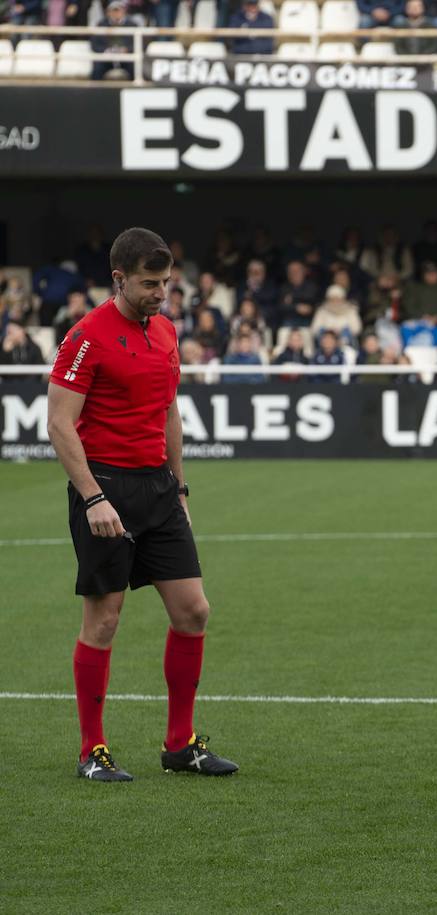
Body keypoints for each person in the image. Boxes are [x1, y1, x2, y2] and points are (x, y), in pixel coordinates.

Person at [45, 227, 238, 783]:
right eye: (149, 284)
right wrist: (94, 498)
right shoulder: (86, 336)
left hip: (158, 489)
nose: (160, 293)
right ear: (119, 278)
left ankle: (180, 745)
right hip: (105, 487)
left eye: (166, 283)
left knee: (194, 611)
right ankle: (92, 749)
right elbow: (59, 424)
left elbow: (169, 411)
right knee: (104, 621)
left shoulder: (167, 331)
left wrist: (179, 487)